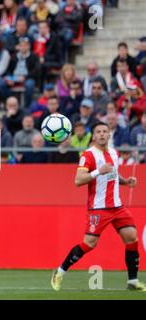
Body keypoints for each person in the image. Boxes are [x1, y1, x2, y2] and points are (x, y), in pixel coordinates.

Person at [51, 122, 146, 291]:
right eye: (98, 132)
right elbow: (78, 180)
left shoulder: (114, 154)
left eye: (105, 131)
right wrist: (97, 171)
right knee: (89, 243)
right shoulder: (88, 155)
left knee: (132, 238)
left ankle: (132, 281)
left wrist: (125, 182)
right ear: (93, 136)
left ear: (109, 135)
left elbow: (113, 175)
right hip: (98, 207)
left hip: (117, 206)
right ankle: (59, 271)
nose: (102, 134)